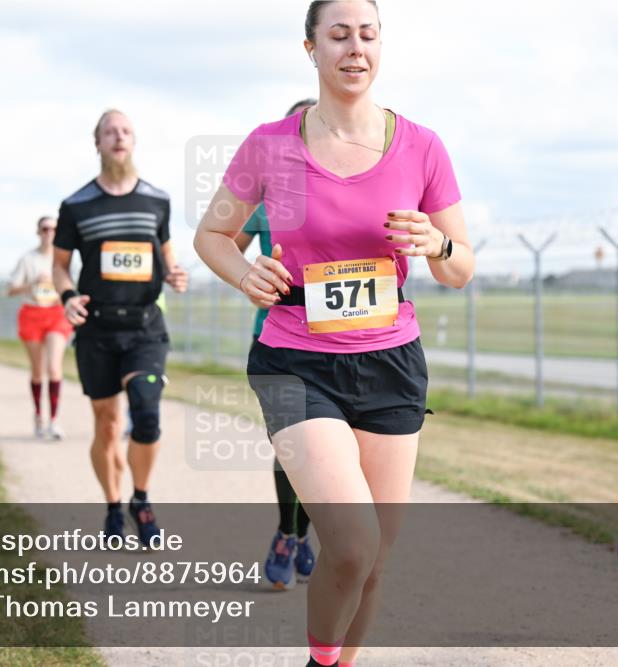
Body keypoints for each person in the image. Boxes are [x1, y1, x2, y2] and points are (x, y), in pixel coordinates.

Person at [193, 3, 474, 665]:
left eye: (368, 35)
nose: (355, 49)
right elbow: (211, 235)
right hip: (295, 361)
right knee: (351, 542)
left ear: (382, 47)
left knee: (376, 560)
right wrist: (244, 274)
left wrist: (436, 241)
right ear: (311, 48)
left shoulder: (422, 146)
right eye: (339, 35)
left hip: (391, 364)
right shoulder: (272, 144)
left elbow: (460, 267)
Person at [54, 108, 189, 544]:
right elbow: (60, 268)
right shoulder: (75, 205)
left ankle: (142, 499)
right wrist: (68, 296)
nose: (119, 136)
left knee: (147, 414)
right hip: (97, 329)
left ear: (134, 141)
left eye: (126, 130)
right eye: (109, 131)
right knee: (107, 424)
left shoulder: (157, 200)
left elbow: (167, 256)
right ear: (97, 143)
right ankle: (113, 505)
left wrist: (175, 273)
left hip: (145, 326)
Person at [235, 97, 319, 590]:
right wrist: (249, 279)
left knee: (324, 451)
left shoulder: (353, 191)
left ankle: (301, 533)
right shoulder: (266, 199)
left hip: (341, 344)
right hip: (275, 338)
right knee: (292, 447)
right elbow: (226, 245)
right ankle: (287, 535)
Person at [9, 216, 74, 439]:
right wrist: (33, 283)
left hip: (56, 313)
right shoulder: (28, 258)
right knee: (37, 370)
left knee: (54, 367)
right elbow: (11, 289)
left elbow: (76, 284)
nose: (49, 233)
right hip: (32, 313)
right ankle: (39, 416)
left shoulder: (65, 257)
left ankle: (54, 420)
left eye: (54, 229)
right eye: (45, 229)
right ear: (38, 232)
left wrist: (63, 293)